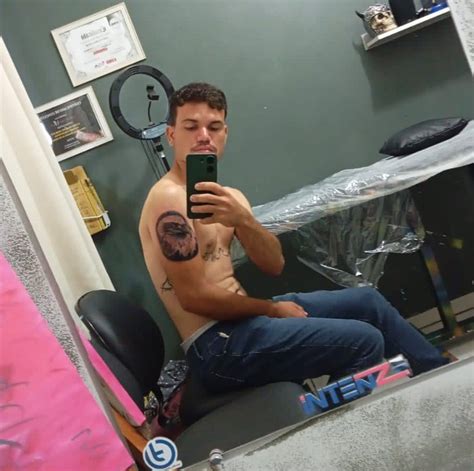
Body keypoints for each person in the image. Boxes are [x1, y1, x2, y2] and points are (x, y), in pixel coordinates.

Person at [139, 82, 449, 394]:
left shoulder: (230, 198)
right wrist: (272, 310)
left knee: (368, 302)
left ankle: (441, 377)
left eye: (214, 127)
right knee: (364, 342)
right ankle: (333, 422)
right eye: (191, 127)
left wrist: (243, 220)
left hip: (244, 323)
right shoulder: (169, 200)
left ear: (225, 134)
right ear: (171, 135)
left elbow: (274, 265)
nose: (204, 136)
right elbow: (194, 298)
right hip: (216, 346)